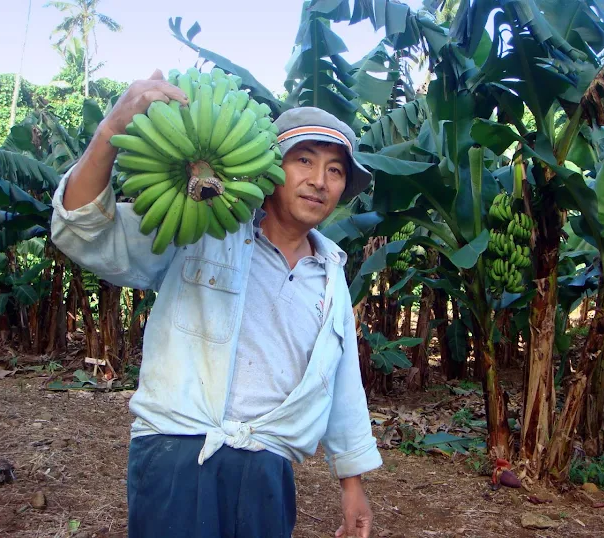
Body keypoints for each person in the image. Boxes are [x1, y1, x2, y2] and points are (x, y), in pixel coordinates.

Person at [50, 69, 382, 538]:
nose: (318, 181)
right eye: (303, 160)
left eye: (335, 170)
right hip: (177, 450)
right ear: (270, 169)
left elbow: (342, 384)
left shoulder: (330, 274)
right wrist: (110, 131)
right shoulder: (203, 227)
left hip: (269, 464)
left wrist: (352, 484)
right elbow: (85, 230)